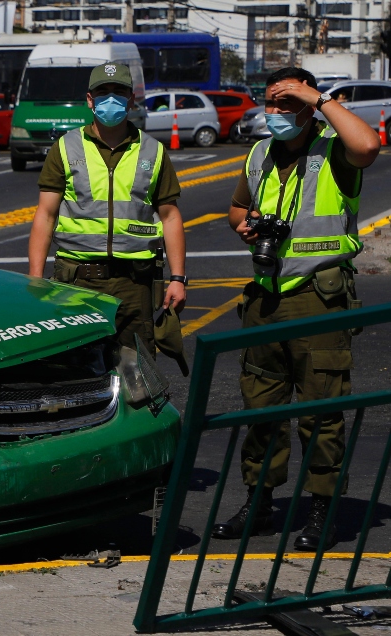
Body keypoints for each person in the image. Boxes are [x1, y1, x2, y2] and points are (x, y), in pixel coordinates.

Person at [211, 67, 379, 551]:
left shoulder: (333, 150)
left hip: (317, 298)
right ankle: (259, 503)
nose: (276, 112)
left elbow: (368, 145)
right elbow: (237, 209)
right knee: (260, 409)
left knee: (321, 411)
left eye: (288, 103)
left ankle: (322, 510)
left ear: (307, 107)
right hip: (265, 296)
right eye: (272, 102)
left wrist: (317, 97)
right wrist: (246, 225)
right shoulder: (260, 153)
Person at [28, 62, 188, 357]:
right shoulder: (65, 147)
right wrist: (36, 278)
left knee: (136, 369)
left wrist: (178, 278)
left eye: (119, 92)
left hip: (134, 284)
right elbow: (46, 215)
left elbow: (170, 216)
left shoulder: (153, 150)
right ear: (90, 100)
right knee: (76, 365)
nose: (111, 99)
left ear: (131, 99)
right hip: (77, 281)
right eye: (103, 92)